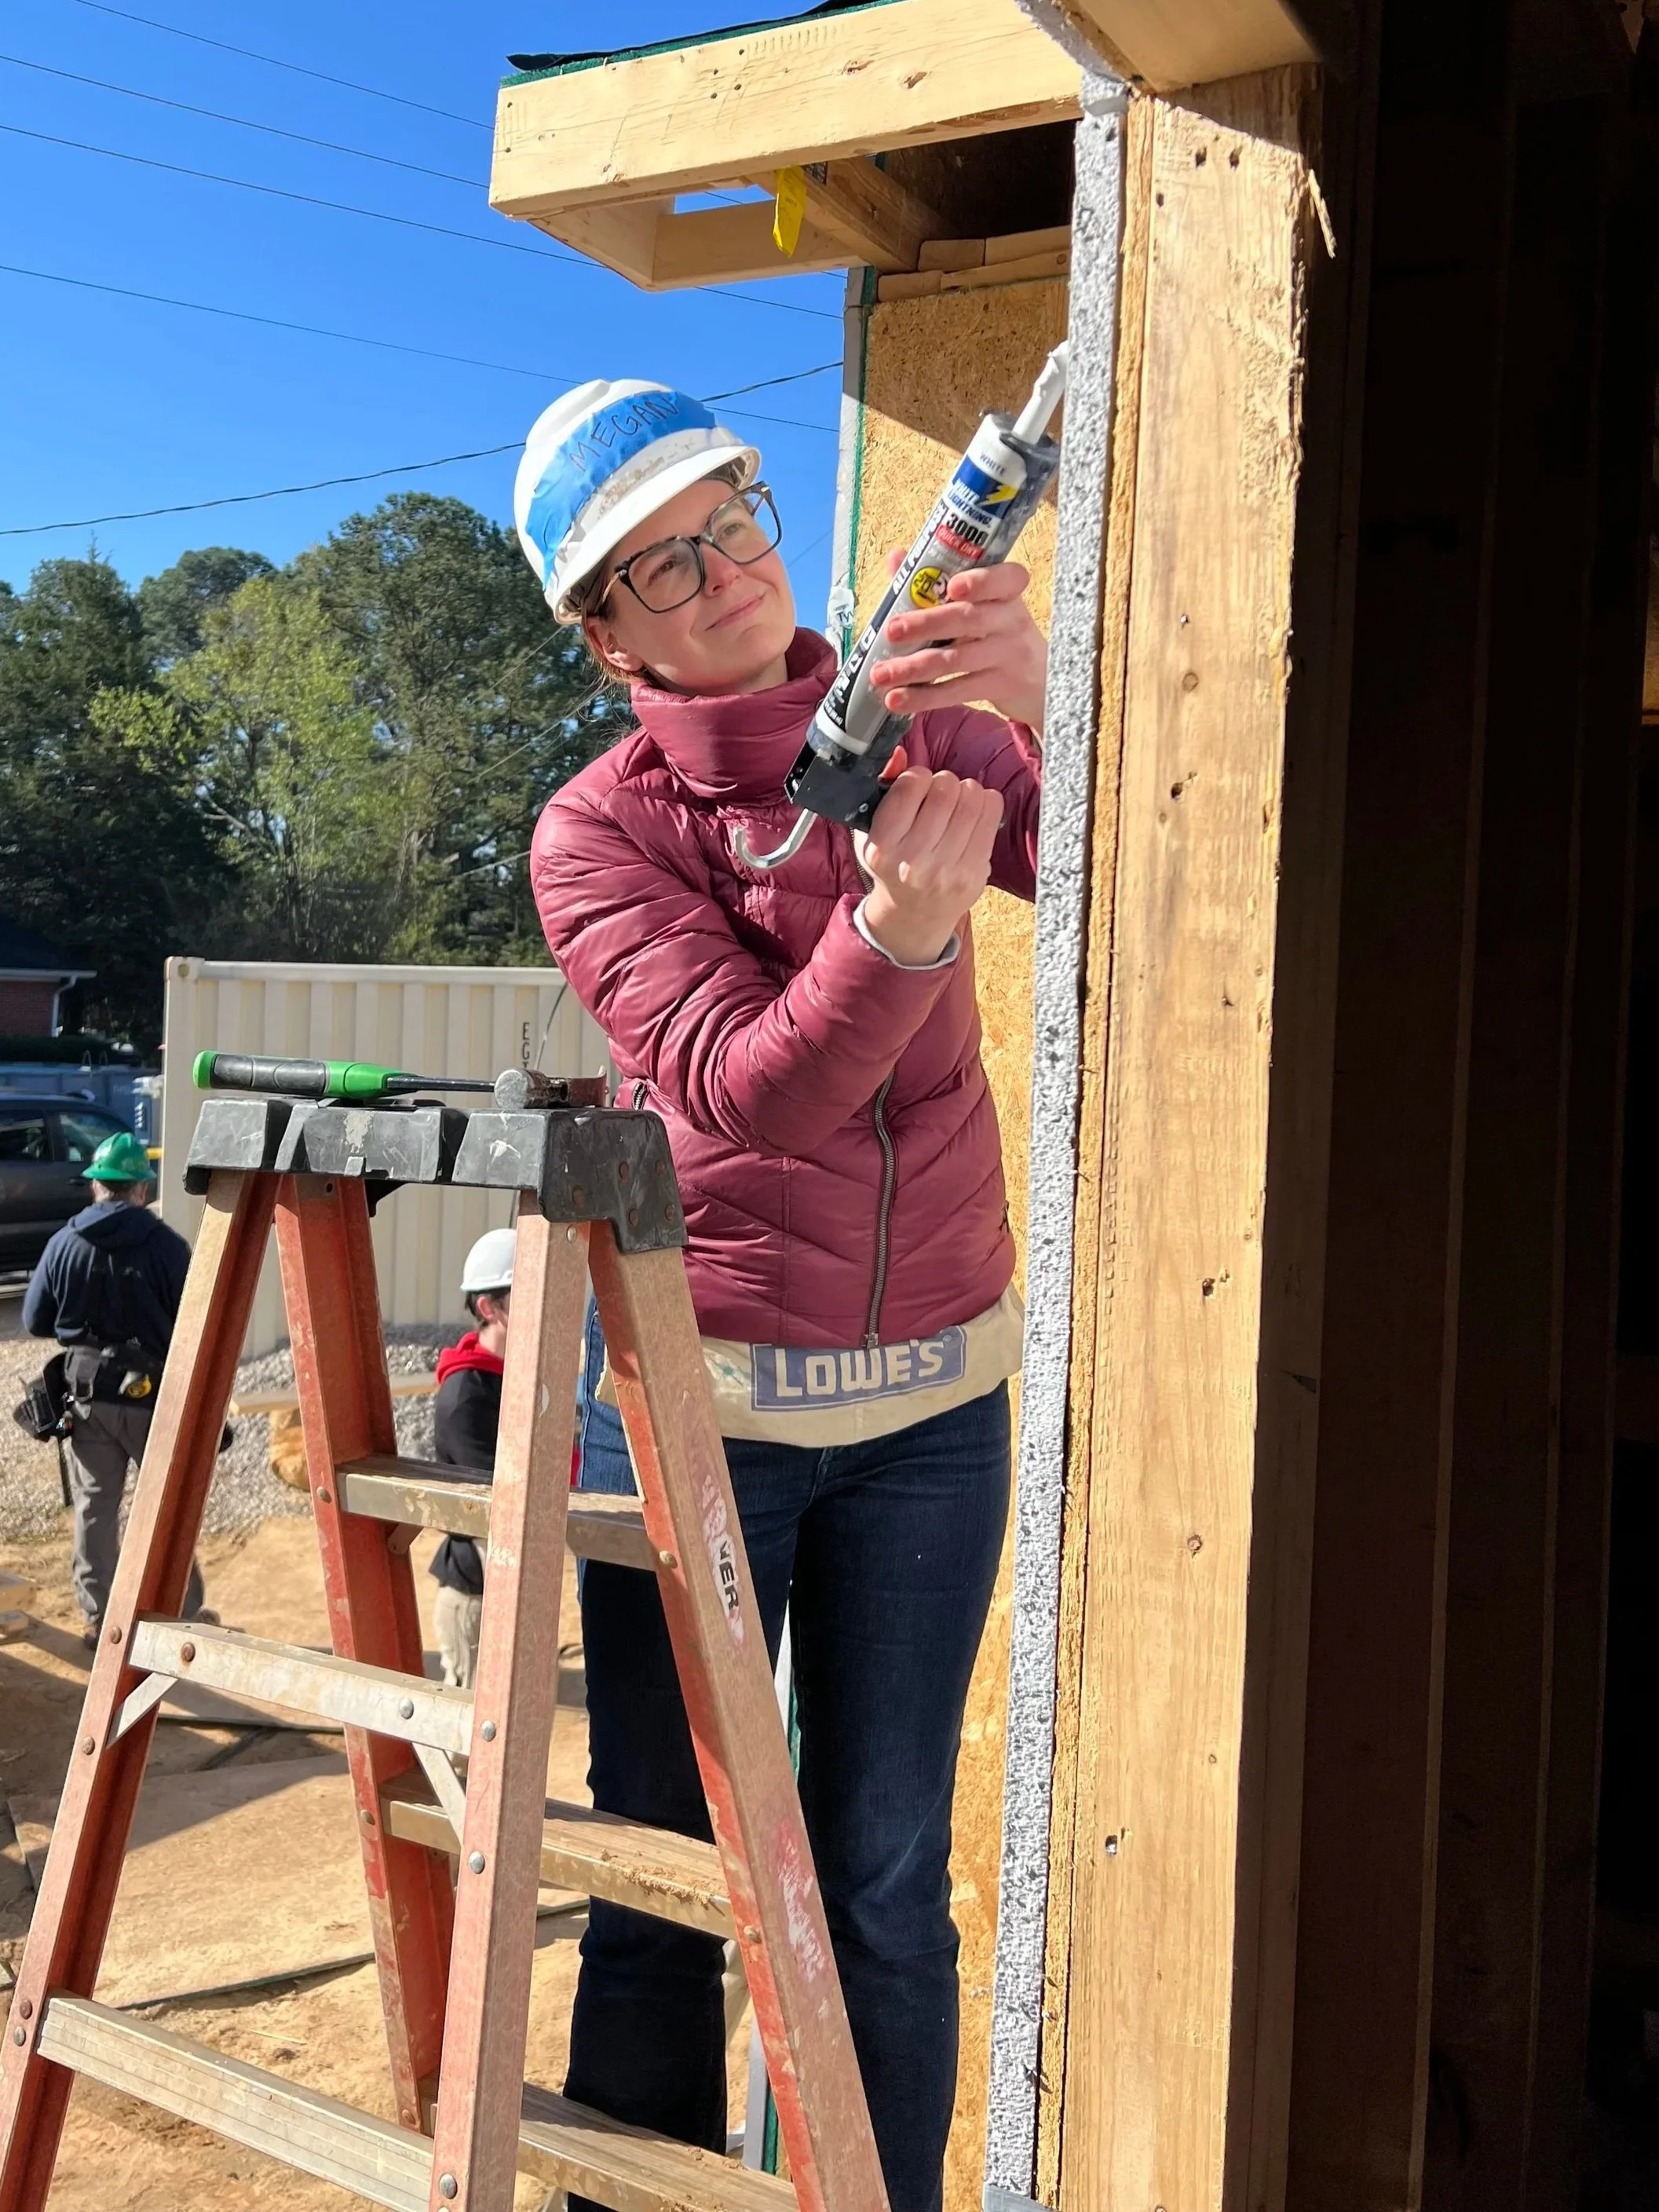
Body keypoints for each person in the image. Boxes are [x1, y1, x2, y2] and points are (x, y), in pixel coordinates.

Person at [517, 378, 1046, 2212]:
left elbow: (1126, 861)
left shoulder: (925, 719)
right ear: (603, 633)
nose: (724, 568)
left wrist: (1042, 711)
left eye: (729, 517)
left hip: (930, 1420)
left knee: (882, 1882)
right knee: (672, 1875)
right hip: (702, 1416)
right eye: (662, 564)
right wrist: (894, 933)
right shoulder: (593, 838)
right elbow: (747, 1084)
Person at [22, 1128, 214, 1648]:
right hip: (151, 1395)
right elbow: (196, 1322)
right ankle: (182, 1612)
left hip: (86, 1396)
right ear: (141, 1189)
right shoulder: (166, 1246)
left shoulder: (63, 1242)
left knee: (94, 1506)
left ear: (96, 1187)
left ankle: (99, 1617)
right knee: (165, 1506)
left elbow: (35, 1318)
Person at [427, 1226, 515, 1691]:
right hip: (478, 1595)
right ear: (490, 1308)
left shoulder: (512, 1378)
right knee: (468, 1741)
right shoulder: (466, 1395)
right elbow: (493, 1508)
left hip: (505, 1591)